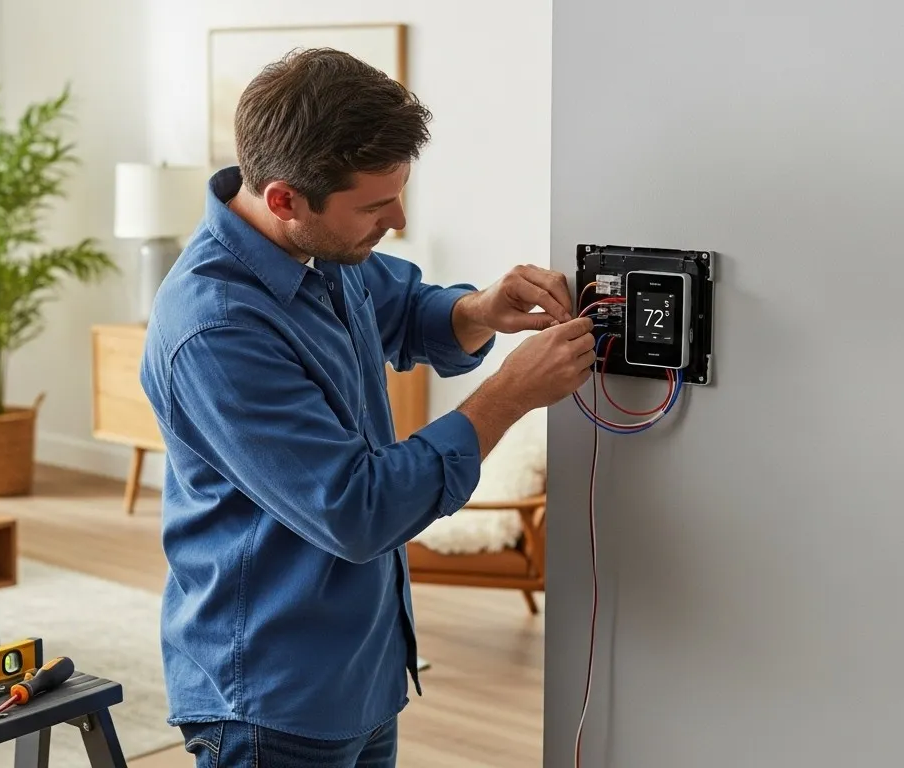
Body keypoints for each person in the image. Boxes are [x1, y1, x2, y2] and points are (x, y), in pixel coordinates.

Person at [139, 47, 596, 767]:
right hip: (272, 696)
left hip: (363, 667)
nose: (399, 218)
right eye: (376, 206)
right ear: (286, 198)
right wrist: (510, 395)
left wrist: (483, 309)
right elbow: (355, 509)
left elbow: (406, 310)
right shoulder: (216, 329)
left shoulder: (317, 249)